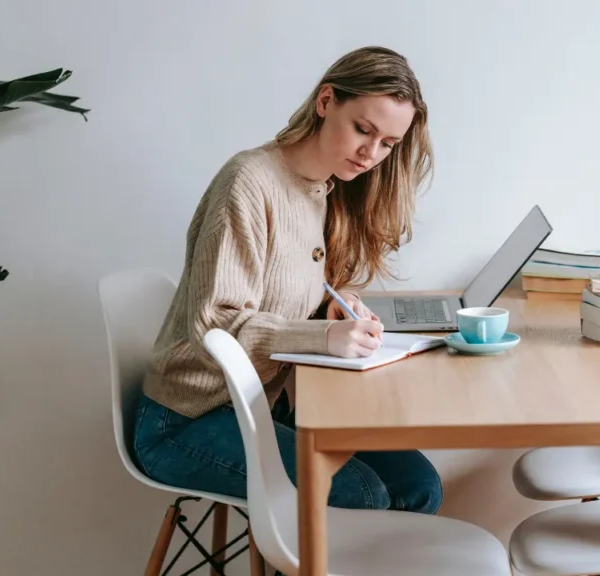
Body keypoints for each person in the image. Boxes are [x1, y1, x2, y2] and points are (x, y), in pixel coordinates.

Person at [133, 46, 441, 516]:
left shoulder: (324, 189)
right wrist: (322, 335)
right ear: (325, 102)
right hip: (186, 419)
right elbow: (215, 323)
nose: (371, 154)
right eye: (363, 129)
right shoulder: (249, 183)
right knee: (362, 495)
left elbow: (284, 288)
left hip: (262, 406)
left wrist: (333, 307)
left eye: (388, 144)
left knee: (419, 485)